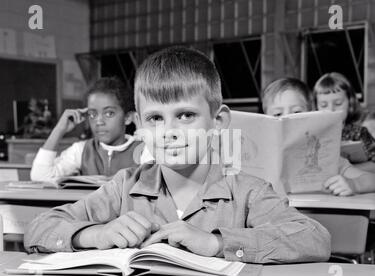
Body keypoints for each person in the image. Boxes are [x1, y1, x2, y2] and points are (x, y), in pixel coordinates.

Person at [24, 47, 330, 264]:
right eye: (155, 118)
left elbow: (313, 238)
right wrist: (95, 234)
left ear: (218, 122)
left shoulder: (248, 191)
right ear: (141, 126)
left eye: (185, 115)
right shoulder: (123, 187)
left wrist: (217, 242)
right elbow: (39, 228)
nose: (169, 131)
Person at [263, 77, 375, 196]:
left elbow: (372, 180)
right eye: (277, 114)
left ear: (312, 114)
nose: (287, 119)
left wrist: (354, 184)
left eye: (296, 112)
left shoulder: (326, 158)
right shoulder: (262, 159)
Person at [30, 77, 143, 181]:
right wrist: (59, 129)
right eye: (92, 114)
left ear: (127, 118)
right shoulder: (82, 150)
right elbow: (39, 176)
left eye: (109, 113)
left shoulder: (143, 151)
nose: (99, 121)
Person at [313, 72, 375, 165]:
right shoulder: (314, 134)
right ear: (316, 107)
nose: (331, 109)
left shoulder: (359, 133)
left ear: (350, 103)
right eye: (324, 105)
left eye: (338, 103)